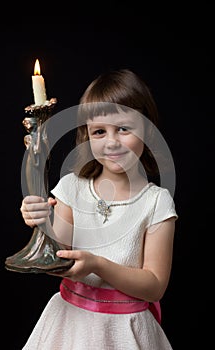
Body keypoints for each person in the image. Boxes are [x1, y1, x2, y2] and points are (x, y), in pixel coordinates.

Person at [20, 68, 178, 350]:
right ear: (87, 135)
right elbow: (59, 253)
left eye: (124, 129)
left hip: (127, 330)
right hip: (70, 325)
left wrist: (98, 265)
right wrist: (40, 221)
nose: (112, 142)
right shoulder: (72, 187)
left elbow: (155, 285)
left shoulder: (156, 202)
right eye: (99, 131)